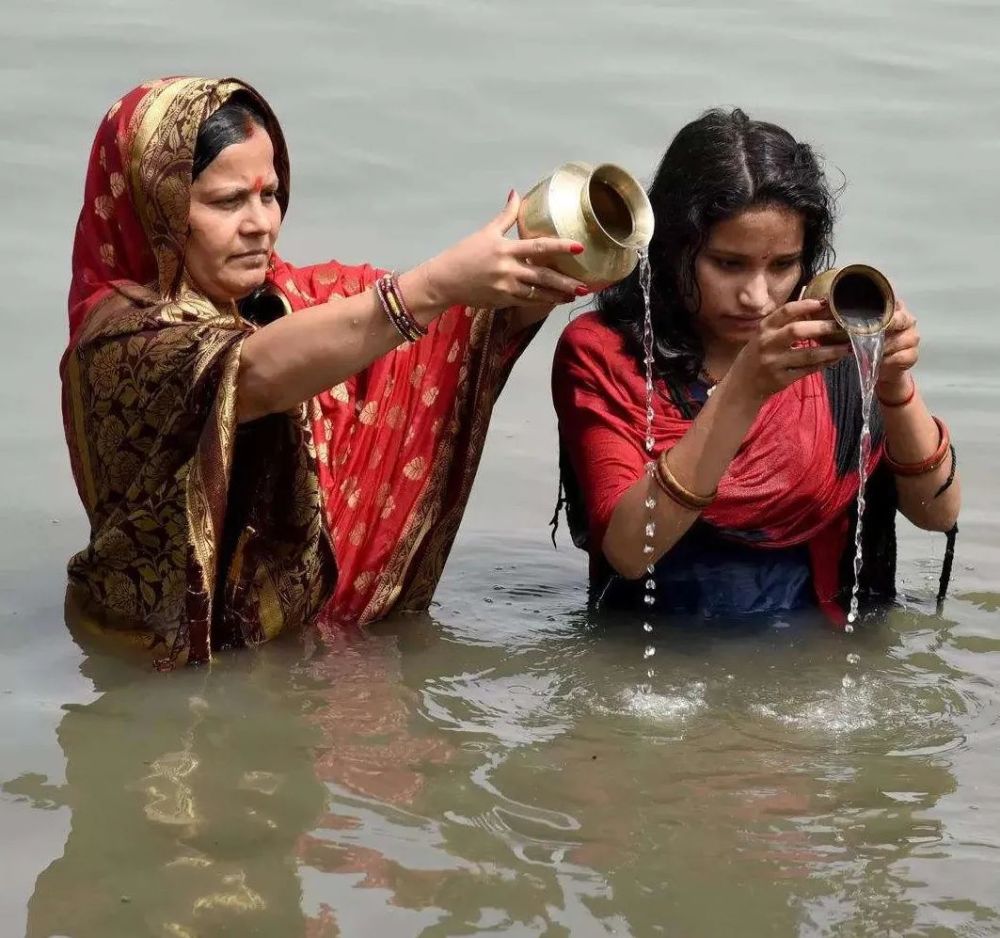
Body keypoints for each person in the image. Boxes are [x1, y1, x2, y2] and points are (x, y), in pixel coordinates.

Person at [61, 76, 590, 667]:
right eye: (228, 200)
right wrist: (436, 285)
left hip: (272, 661)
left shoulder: (276, 301)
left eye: (270, 195)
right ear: (154, 204)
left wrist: (541, 267)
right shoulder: (120, 338)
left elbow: (438, 335)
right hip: (148, 674)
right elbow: (249, 372)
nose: (261, 222)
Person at [551, 108, 960, 623]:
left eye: (783, 265)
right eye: (728, 263)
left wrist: (894, 384)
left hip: (822, 656)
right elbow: (632, 551)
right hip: (656, 665)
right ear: (674, 248)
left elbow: (936, 513)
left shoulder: (832, 345)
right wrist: (745, 388)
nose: (756, 295)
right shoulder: (606, 353)